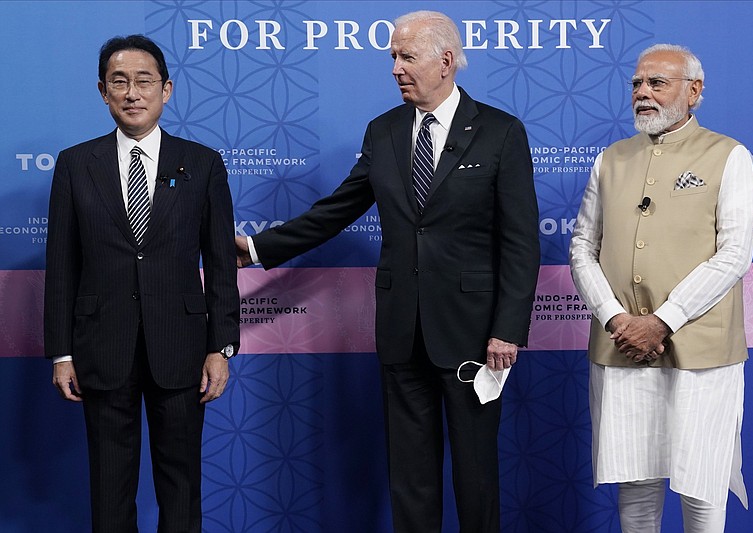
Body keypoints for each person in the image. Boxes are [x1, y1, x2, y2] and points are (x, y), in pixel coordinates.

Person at [235, 10, 539, 533]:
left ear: (446, 61)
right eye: (392, 57)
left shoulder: (500, 132)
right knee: (411, 474)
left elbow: (520, 241)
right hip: (401, 330)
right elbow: (339, 208)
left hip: (473, 333)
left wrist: (507, 329)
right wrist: (257, 247)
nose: (395, 68)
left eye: (406, 56)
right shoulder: (385, 131)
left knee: (476, 473)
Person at [44, 35, 240, 532]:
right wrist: (61, 353)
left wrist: (222, 345)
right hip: (100, 348)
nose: (132, 92)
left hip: (181, 348)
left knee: (181, 483)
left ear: (166, 90)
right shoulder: (74, 164)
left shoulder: (202, 164)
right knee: (109, 486)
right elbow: (61, 265)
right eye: (120, 82)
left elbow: (221, 263)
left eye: (144, 81)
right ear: (103, 92)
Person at [569, 43, 753, 532]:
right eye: (636, 84)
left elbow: (734, 254)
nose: (643, 93)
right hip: (622, 344)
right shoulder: (612, 158)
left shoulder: (727, 155)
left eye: (657, 83)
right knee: (636, 482)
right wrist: (615, 318)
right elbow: (582, 248)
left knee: (702, 482)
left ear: (693, 91)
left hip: (702, 348)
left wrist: (663, 321)